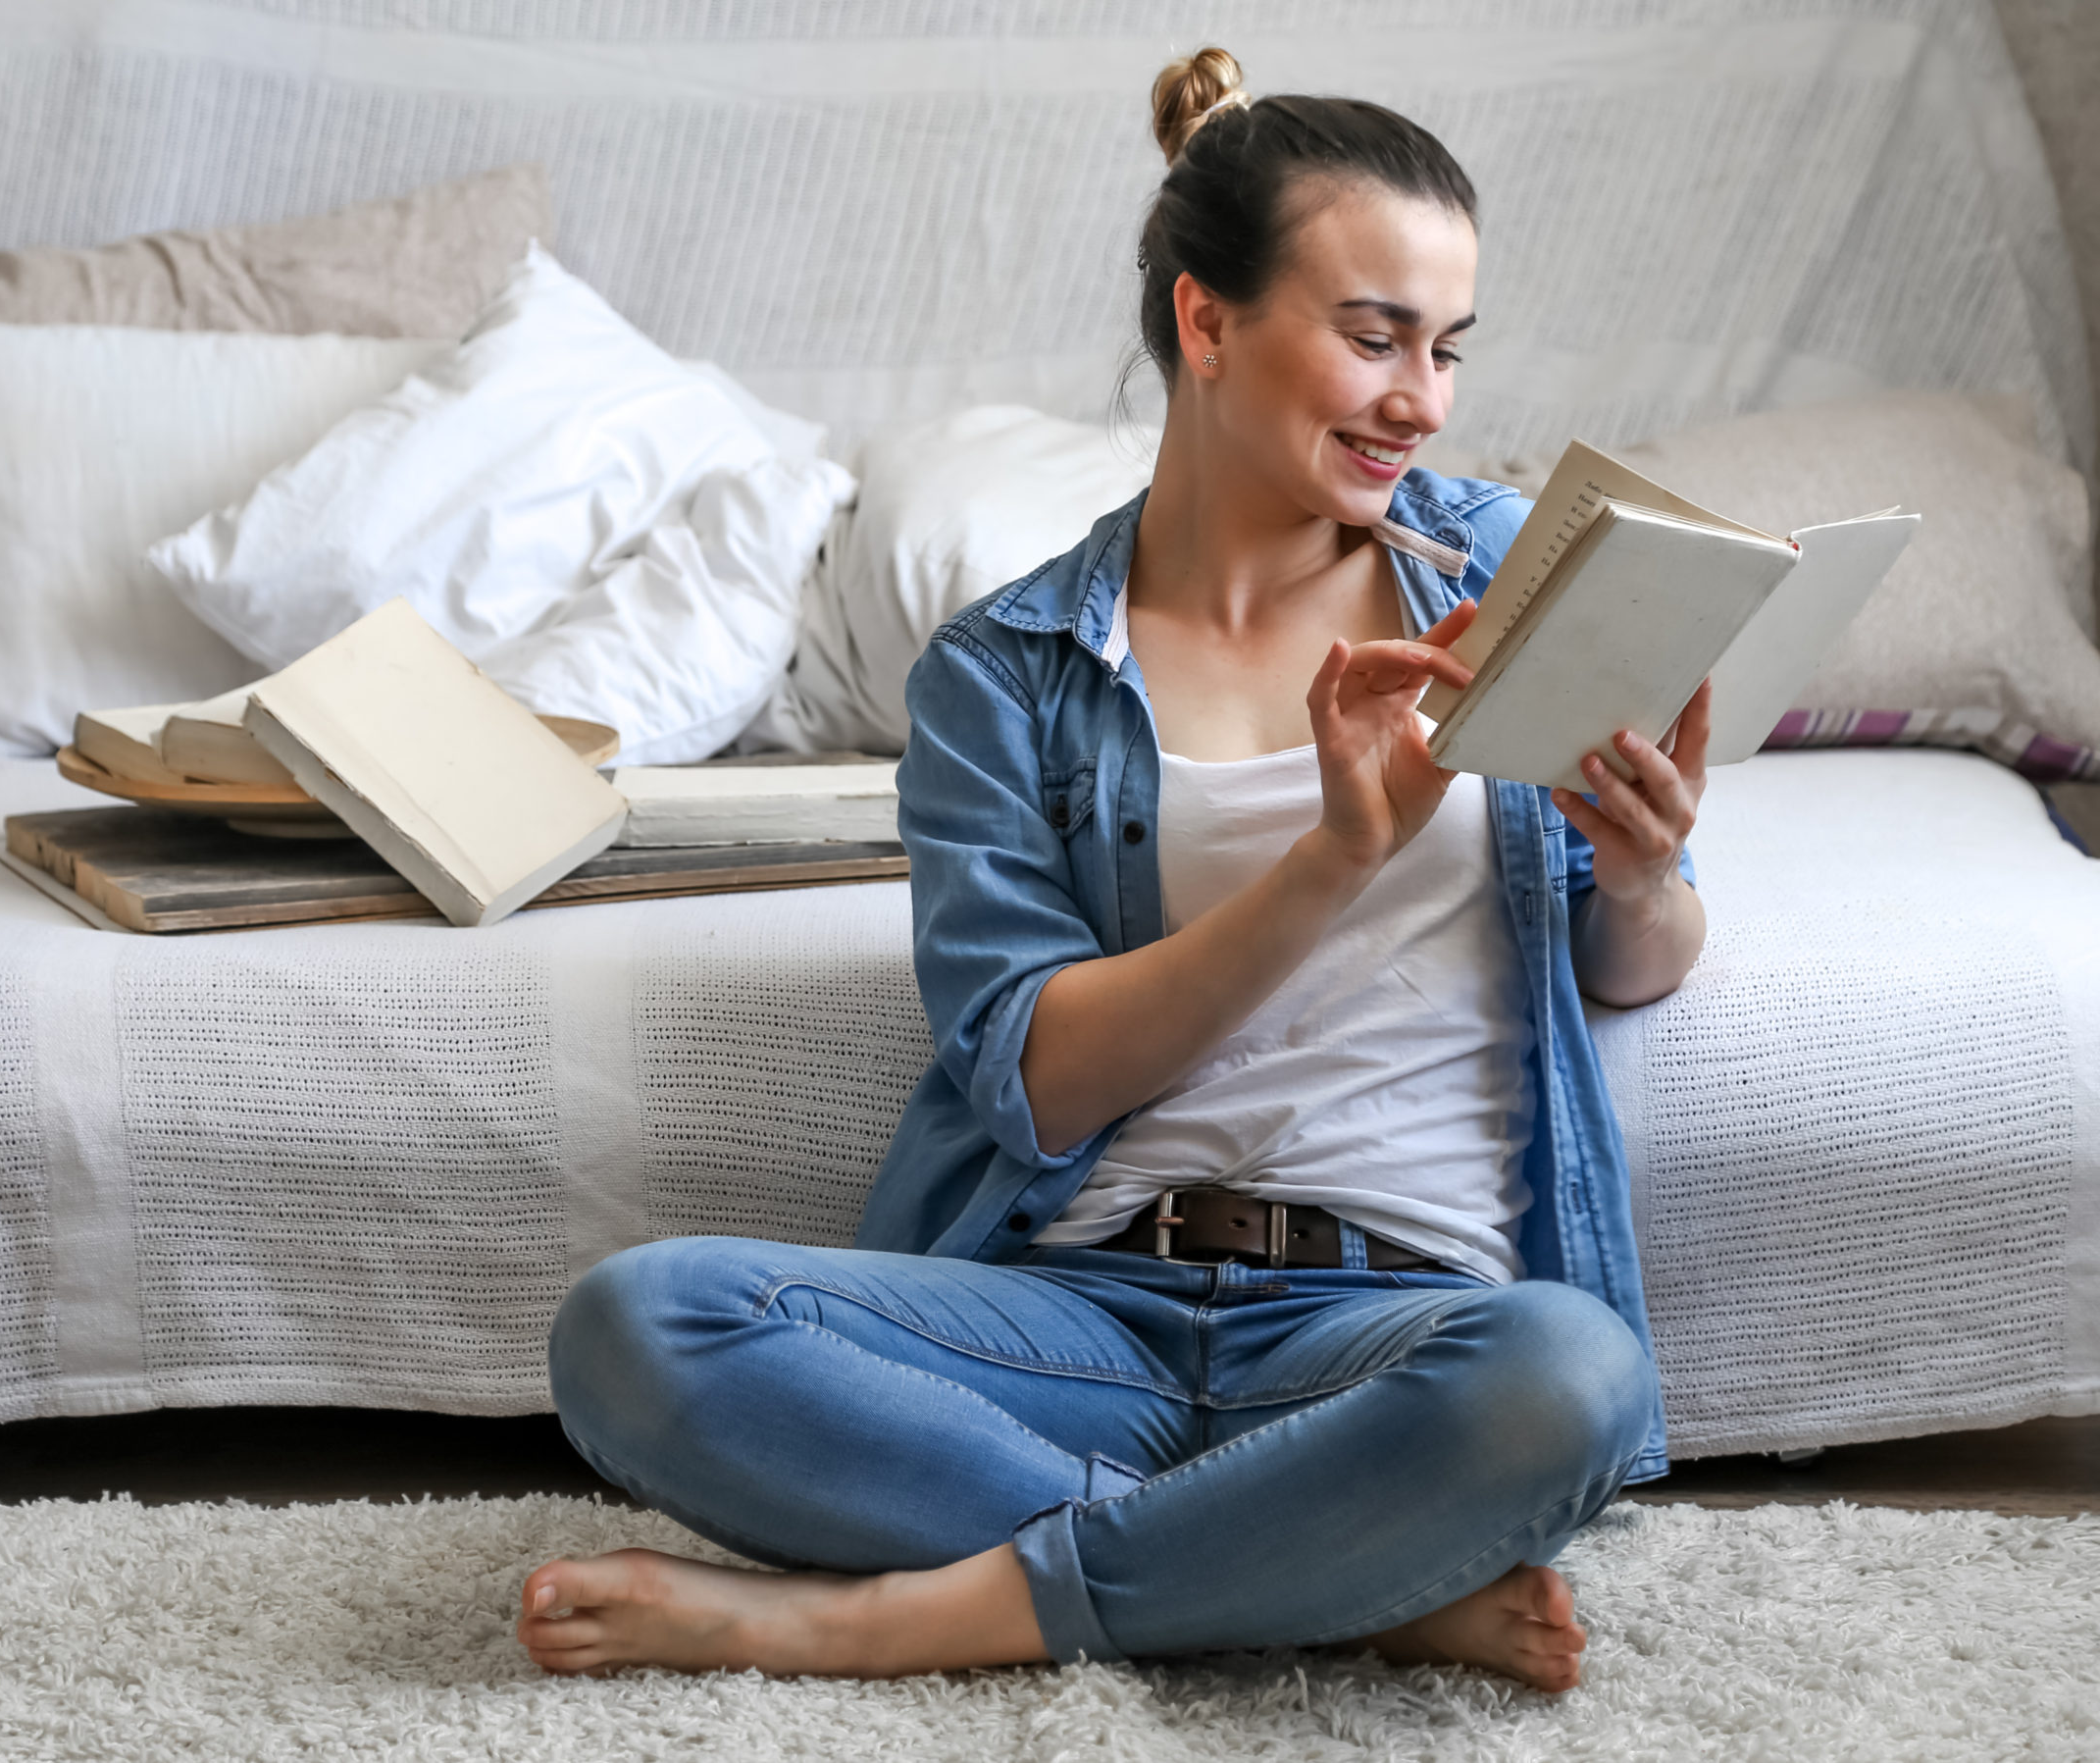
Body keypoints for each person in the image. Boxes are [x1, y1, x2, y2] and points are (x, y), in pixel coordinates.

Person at [518, 46, 1708, 1694]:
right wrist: (1332, 858)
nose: (1421, 399)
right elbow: (1037, 1082)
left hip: (1398, 1324)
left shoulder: (1513, 574)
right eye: (1372, 338)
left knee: (1572, 1378)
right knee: (640, 1330)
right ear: (1207, 324)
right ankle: (1326, 1581)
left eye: (1444, 347)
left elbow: (1628, 959)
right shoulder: (1004, 673)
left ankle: (890, 1617)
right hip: (1072, 1309)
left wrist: (1644, 876)